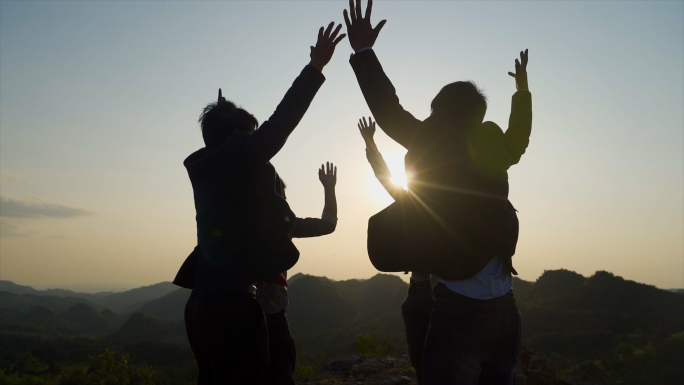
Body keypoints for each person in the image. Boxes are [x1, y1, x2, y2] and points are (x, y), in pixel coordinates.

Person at [343, 1, 532, 384]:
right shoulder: (495, 147)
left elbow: (388, 111)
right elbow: (519, 136)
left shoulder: (434, 138)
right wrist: (522, 91)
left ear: (442, 113)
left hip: (460, 312)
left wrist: (364, 52)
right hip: (505, 309)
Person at [182, 23, 346, 385]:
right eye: (250, 137)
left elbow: (232, 141)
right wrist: (315, 67)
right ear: (240, 137)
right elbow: (279, 125)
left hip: (201, 305)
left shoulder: (208, 167)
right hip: (233, 307)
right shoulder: (240, 154)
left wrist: (223, 114)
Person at [357, 116, 432, 385]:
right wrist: (370, 143)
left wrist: (370, 142)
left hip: (433, 290)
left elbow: (382, 173)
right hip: (430, 288)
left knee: (426, 356)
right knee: (429, 357)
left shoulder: (410, 201)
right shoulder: (418, 202)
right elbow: (382, 173)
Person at [258, 164, 338, 385]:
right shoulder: (284, 226)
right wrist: (329, 188)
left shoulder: (235, 222)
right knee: (281, 373)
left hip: (233, 313)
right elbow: (328, 225)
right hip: (272, 318)